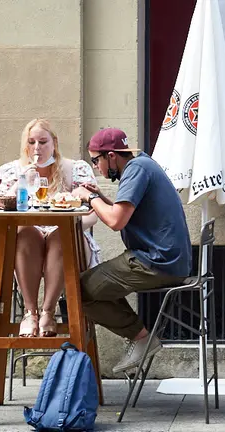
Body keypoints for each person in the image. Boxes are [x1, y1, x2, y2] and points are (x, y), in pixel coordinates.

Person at [71, 128, 193, 374]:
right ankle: (139, 336)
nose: (96, 167)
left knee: (76, 291)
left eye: (96, 160)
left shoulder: (136, 170)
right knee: (93, 286)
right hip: (167, 260)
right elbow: (123, 213)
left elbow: (116, 221)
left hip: (155, 263)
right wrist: (99, 196)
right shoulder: (143, 165)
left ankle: (141, 338)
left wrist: (89, 198)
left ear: (111, 156)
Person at [0, 119, 102, 338]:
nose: (37, 148)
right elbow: (1, 206)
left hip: (68, 241)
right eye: (31, 142)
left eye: (43, 142)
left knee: (62, 236)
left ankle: (48, 312)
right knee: (25, 233)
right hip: (27, 243)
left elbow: (95, 213)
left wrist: (68, 224)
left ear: (54, 142)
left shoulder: (75, 169)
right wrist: (22, 179)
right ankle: (30, 312)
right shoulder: (12, 171)